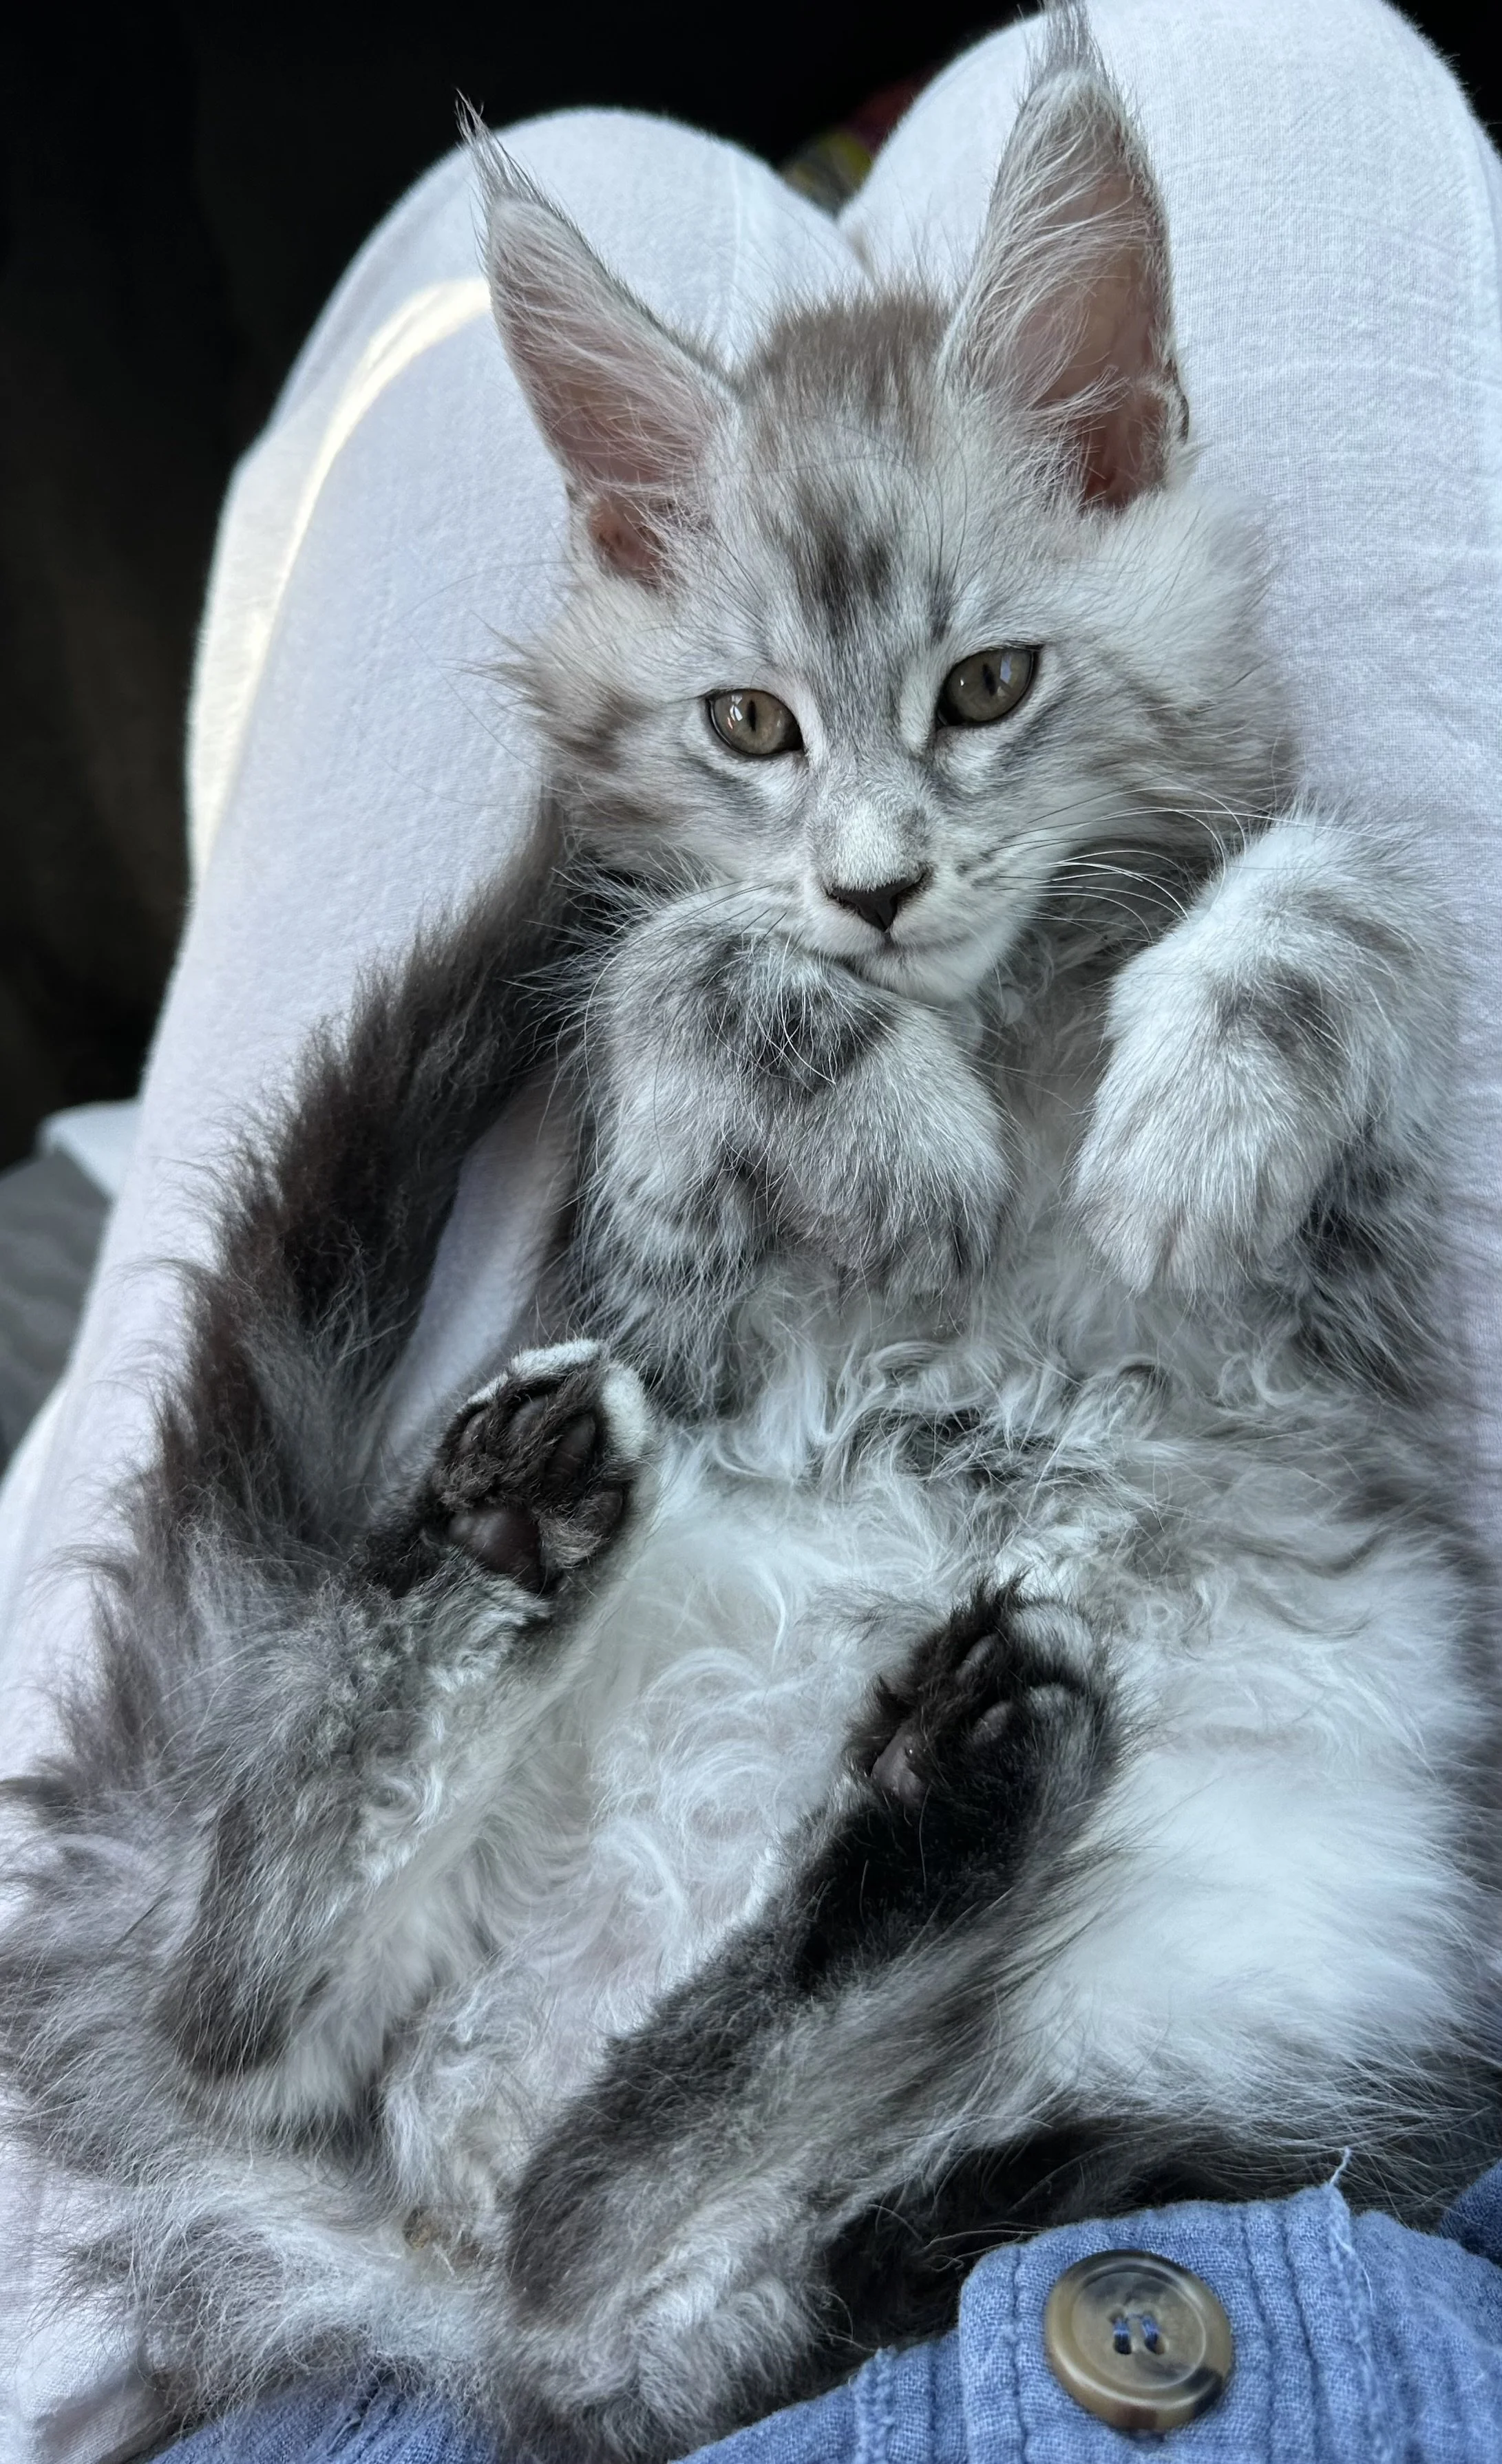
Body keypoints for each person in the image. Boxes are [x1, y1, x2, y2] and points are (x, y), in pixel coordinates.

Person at [3, 0, 1502, 2454]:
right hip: (1151, 2210)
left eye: (985, 692)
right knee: (1286, 71)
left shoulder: (1166, 902)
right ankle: (679, 2066)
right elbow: (693, 1364)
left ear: (1124, 459)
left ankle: (606, 2046)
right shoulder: (739, 962)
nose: (879, 858)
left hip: (492, 2275)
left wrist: (1290, 932)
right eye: (762, 736)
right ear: (623, 561)